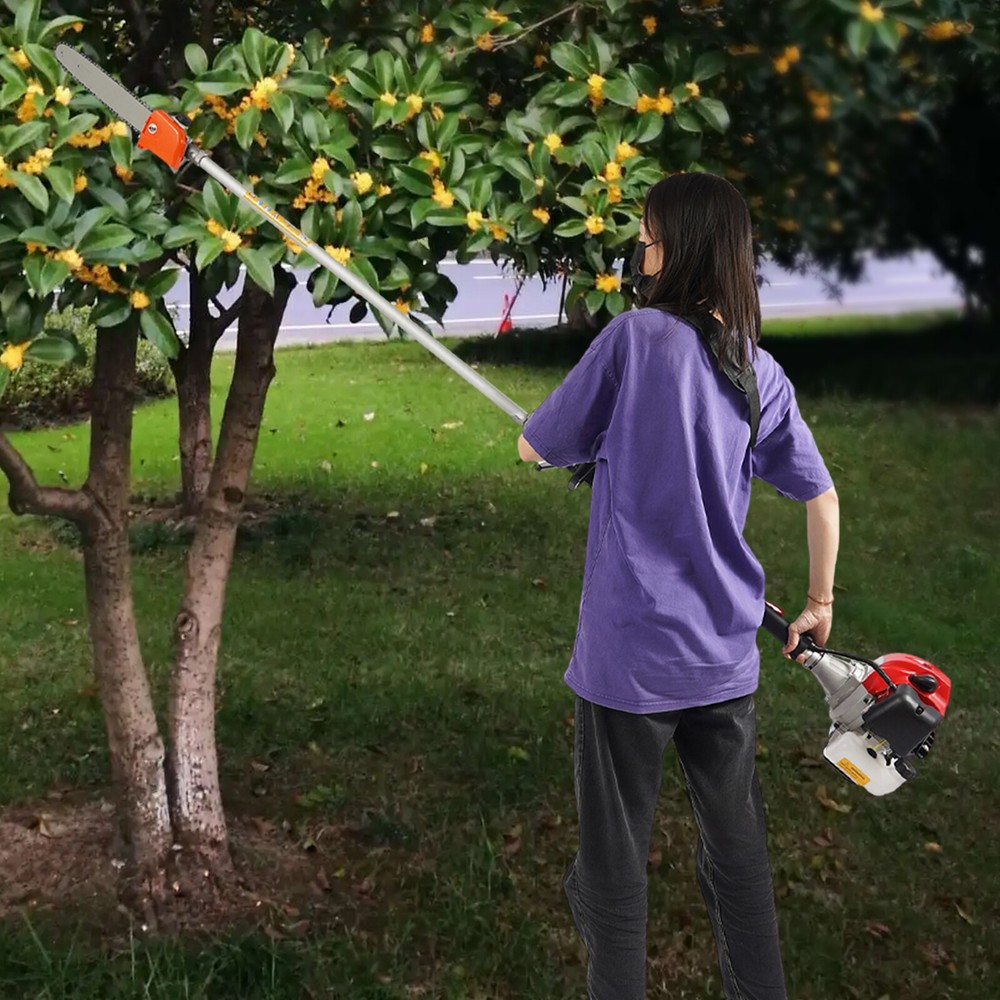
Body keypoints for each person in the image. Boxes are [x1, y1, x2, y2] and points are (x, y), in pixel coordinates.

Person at [515, 171, 840, 1000]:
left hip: (628, 661)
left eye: (648, 240)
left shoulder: (633, 341)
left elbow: (534, 445)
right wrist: (819, 604)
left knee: (614, 865)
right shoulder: (758, 370)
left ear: (678, 249)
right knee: (738, 853)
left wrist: (568, 442)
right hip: (724, 658)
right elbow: (820, 495)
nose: (641, 254)